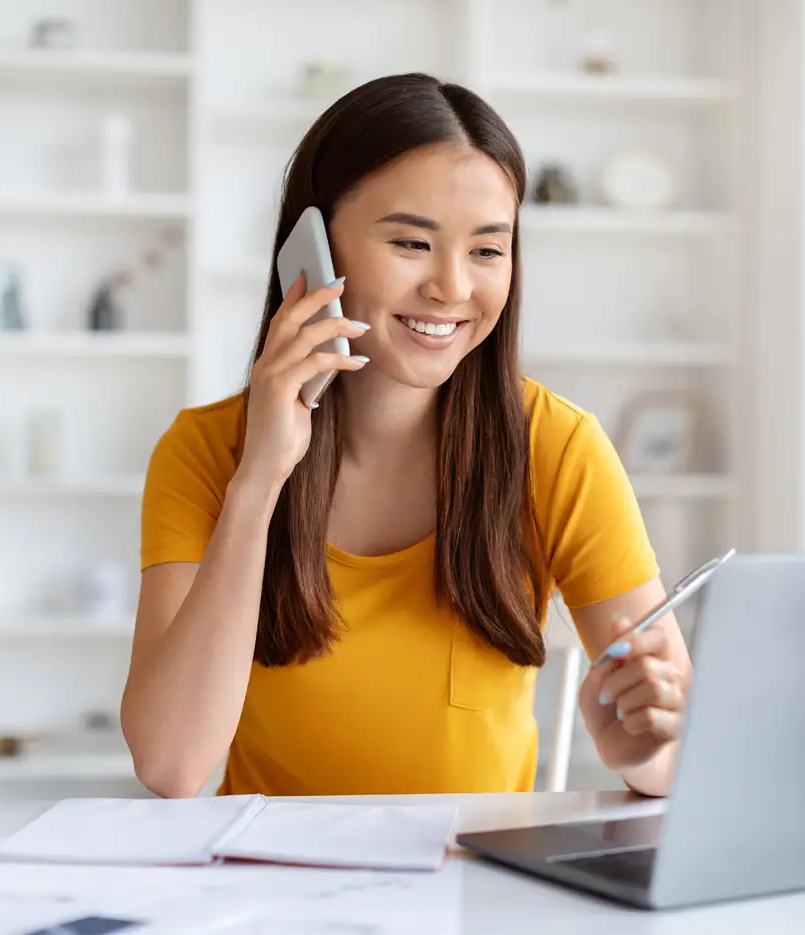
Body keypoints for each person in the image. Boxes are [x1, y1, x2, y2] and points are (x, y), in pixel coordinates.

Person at [121, 73, 693, 799]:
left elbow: (682, 752)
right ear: (312, 249)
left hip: (472, 893)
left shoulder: (555, 445)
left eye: (488, 251)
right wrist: (262, 474)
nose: (452, 288)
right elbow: (171, 764)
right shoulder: (205, 452)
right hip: (271, 895)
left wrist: (641, 749)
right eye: (412, 242)